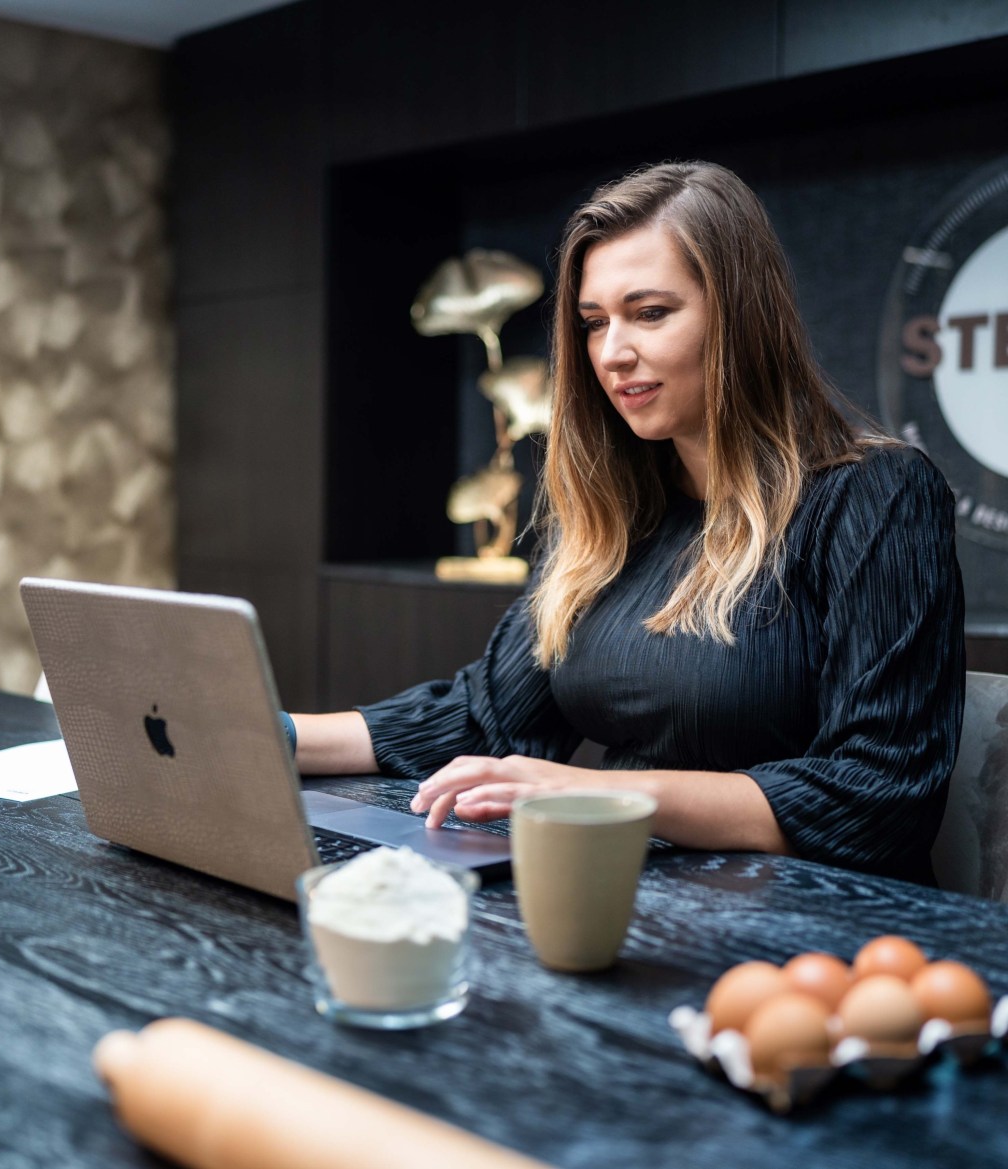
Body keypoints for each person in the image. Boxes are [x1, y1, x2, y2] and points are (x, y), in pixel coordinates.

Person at [288, 160, 965, 885]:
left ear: (741, 314)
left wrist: (595, 791)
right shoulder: (615, 517)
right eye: (593, 323)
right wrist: (262, 733)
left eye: (649, 313)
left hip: (817, 925)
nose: (612, 353)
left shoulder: (878, 495)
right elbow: (482, 717)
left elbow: (878, 798)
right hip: (636, 893)